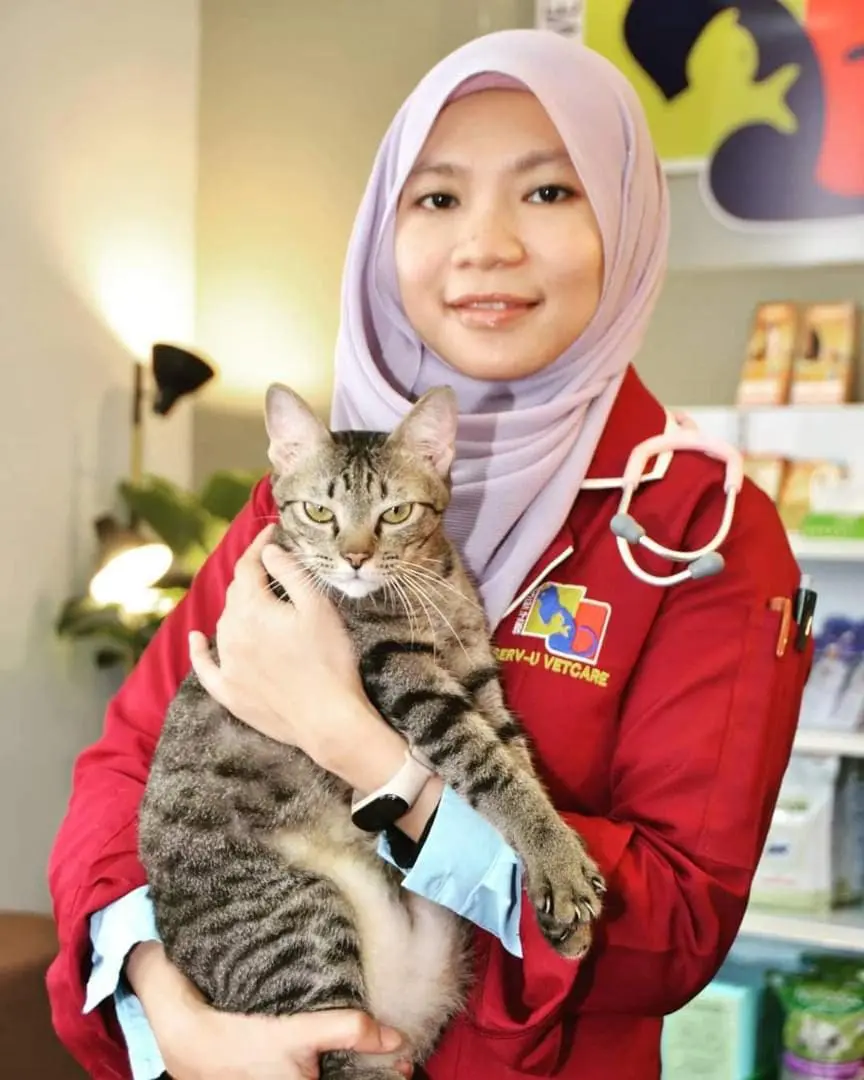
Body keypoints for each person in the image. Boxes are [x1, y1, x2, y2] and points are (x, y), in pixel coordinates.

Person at [46, 28, 812, 1080]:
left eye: (549, 193)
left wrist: (371, 755)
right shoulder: (295, 505)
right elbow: (125, 766)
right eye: (438, 198)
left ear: (627, 219)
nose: (485, 245)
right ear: (383, 230)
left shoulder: (699, 531)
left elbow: (675, 926)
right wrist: (165, 1002)